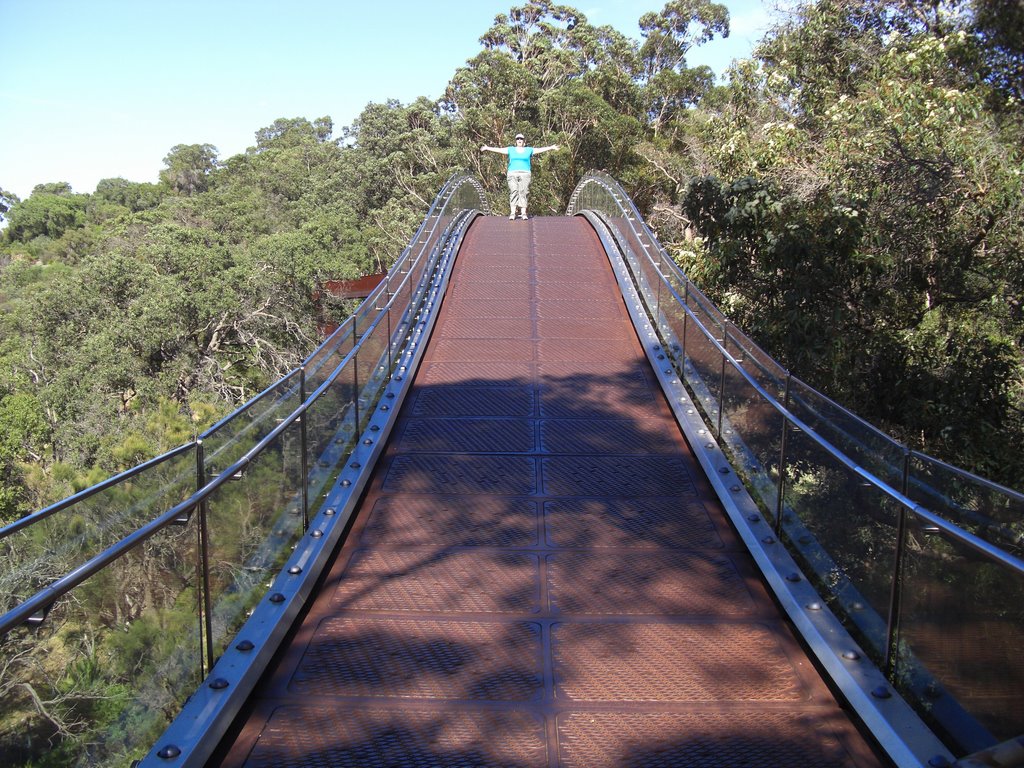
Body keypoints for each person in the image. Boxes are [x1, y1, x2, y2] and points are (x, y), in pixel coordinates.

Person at [481, 133, 560, 220]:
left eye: (521, 139)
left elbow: (540, 149)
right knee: (514, 191)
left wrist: (551, 147)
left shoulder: (529, 150)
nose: (519, 140)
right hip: (512, 173)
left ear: (524, 142)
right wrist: (487, 148)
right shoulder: (511, 149)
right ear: (516, 141)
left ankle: (523, 213)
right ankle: (512, 213)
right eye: (517, 139)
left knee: (523, 192)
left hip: (525, 173)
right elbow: (499, 150)